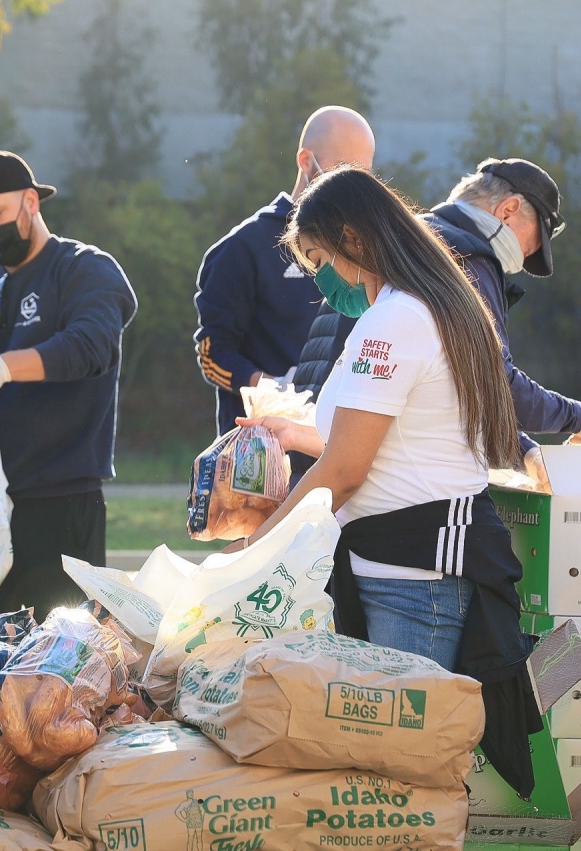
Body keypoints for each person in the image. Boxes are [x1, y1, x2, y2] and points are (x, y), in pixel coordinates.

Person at [234, 166, 539, 795]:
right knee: (393, 774)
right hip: (400, 567)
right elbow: (389, 439)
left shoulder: (397, 320)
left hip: (413, 580)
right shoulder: (414, 307)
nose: (322, 276)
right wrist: (296, 438)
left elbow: (346, 470)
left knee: (405, 783)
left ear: (352, 236)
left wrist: (260, 547)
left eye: (319, 257)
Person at [0, 150, 137, 622]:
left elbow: (91, 347)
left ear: (31, 201)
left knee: (60, 664)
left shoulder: (85, 269)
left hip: (61, 500)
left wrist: (3, 366)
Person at [194, 106, 375, 436]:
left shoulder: (365, 249)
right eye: (340, 169)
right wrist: (274, 388)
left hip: (340, 445)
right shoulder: (244, 247)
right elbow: (212, 353)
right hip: (262, 454)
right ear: (306, 161)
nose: (350, 187)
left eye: (361, 174)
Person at [422, 158, 581, 485]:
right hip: (410, 488)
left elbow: (448, 383)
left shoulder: (409, 236)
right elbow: (495, 384)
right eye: (526, 248)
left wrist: (524, 450)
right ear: (508, 210)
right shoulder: (467, 255)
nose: (516, 264)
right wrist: (579, 417)